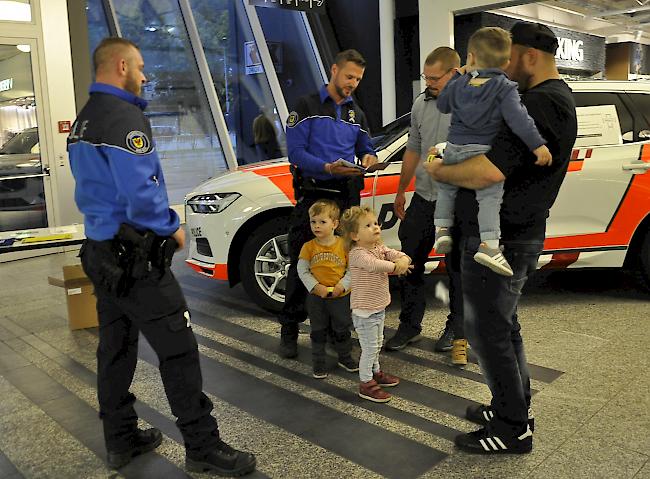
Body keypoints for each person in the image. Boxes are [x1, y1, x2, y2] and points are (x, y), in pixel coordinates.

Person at [67, 37, 256, 475]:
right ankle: (203, 447)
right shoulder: (124, 118)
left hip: (100, 252)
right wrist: (171, 225)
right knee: (179, 351)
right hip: (136, 259)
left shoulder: (85, 119)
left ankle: (120, 439)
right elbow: (140, 196)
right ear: (120, 66)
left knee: (115, 349)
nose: (145, 75)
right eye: (140, 66)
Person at [426, 22, 577, 454]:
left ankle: (513, 429)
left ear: (529, 55)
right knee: (502, 327)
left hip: (504, 239)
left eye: (507, 57)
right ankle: (511, 406)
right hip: (514, 234)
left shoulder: (540, 104)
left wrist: (439, 171)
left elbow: (489, 171)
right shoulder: (547, 99)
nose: (501, 67)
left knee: (489, 331)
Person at [278, 49, 378, 359]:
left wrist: (369, 158)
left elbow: (366, 146)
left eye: (358, 79)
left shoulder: (355, 113)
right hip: (314, 194)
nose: (353, 83)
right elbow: (295, 153)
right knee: (303, 263)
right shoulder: (306, 105)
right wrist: (326, 167)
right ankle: (290, 331)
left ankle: (339, 334)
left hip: (346, 197)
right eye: (349, 76)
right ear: (334, 70)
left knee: (345, 265)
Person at [433, 27, 552, 277]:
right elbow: (520, 120)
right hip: (480, 151)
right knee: (489, 199)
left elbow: (442, 105)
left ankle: (442, 229)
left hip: (454, 146)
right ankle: (489, 246)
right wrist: (537, 145)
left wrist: (457, 77)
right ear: (507, 61)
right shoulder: (504, 87)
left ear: (472, 57)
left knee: (446, 187)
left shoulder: (461, 83)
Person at [385, 47, 468, 366]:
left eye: (435, 78)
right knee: (409, 262)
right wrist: (401, 189)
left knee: (457, 269)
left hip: (456, 199)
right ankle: (409, 326)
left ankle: (457, 330)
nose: (428, 83)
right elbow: (413, 149)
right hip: (423, 196)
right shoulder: (421, 102)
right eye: (426, 76)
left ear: (454, 72)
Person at [340, 206, 410, 403]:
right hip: (364, 312)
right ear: (354, 235)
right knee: (370, 347)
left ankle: (375, 371)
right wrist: (397, 266)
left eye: (376, 223)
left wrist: (402, 259)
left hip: (378, 307)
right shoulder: (357, 253)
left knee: (377, 343)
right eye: (368, 225)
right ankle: (365, 382)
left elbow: (395, 253)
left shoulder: (378, 247)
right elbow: (375, 265)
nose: (376, 227)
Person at [297, 199, 358, 378]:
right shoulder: (308, 247)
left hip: (341, 296)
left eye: (322, 222)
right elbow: (302, 270)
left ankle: (344, 357)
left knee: (342, 328)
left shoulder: (344, 245)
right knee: (318, 330)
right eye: (313, 222)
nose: (316, 226)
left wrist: (342, 286)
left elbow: (352, 269)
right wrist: (315, 287)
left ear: (335, 224)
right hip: (317, 297)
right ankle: (319, 361)